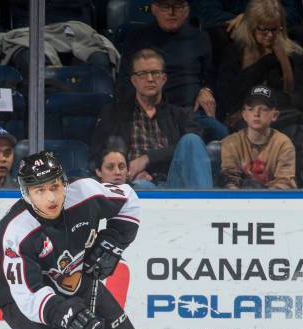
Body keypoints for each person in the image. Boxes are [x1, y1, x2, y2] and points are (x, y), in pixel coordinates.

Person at [0, 151, 157, 329]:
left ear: (64, 183)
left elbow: (129, 199)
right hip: (24, 300)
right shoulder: (17, 230)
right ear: (26, 193)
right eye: (40, 190)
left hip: (77, 279)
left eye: (55, 186)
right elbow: (29, 295)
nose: (51, 198)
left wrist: (113, 242)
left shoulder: (86, 193)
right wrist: (67, 313)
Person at [92, 48, 213, 189]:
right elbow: (98, 156)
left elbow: (195, 150)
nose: (150, 79)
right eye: (142, 74)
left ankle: (203, 205)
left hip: (174, 184)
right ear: (133, 80)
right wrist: (126, 174)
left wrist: (148, 158)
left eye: (155, 73)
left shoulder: (181, 115)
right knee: (141, 186)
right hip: (134, 184)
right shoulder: (113, 114)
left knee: (191, 140)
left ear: (164, 79)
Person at [117, 0, 228, 142]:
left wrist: (206, 89)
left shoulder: (200, 38)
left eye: (178, 6)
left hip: (190, 113)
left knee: (222, 135)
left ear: (187, 10)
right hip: (151, 112)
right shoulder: (136, 37)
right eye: (165, 6)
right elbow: (124, 83)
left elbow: (211, 76)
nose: (171, 12)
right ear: (154, 8)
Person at [216, 0, 303, 124]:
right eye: (263, 29)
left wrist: (283, 61)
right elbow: (229, 100)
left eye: (274, 29)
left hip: (281, 117)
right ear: (251, 27)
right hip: (244, 119)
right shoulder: (234, 51)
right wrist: (265, 62)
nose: (270, 35)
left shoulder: (293, 54)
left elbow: (295, 99)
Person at [220, 85, 296, 189]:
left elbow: (284, 182)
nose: (256, 114)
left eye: (264, 109)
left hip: (273, 201)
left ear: (275, 115)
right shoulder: (230, 143)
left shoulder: (284, 144)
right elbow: (229, 180)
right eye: (251, 109)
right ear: (244, 115)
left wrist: (262, 201)